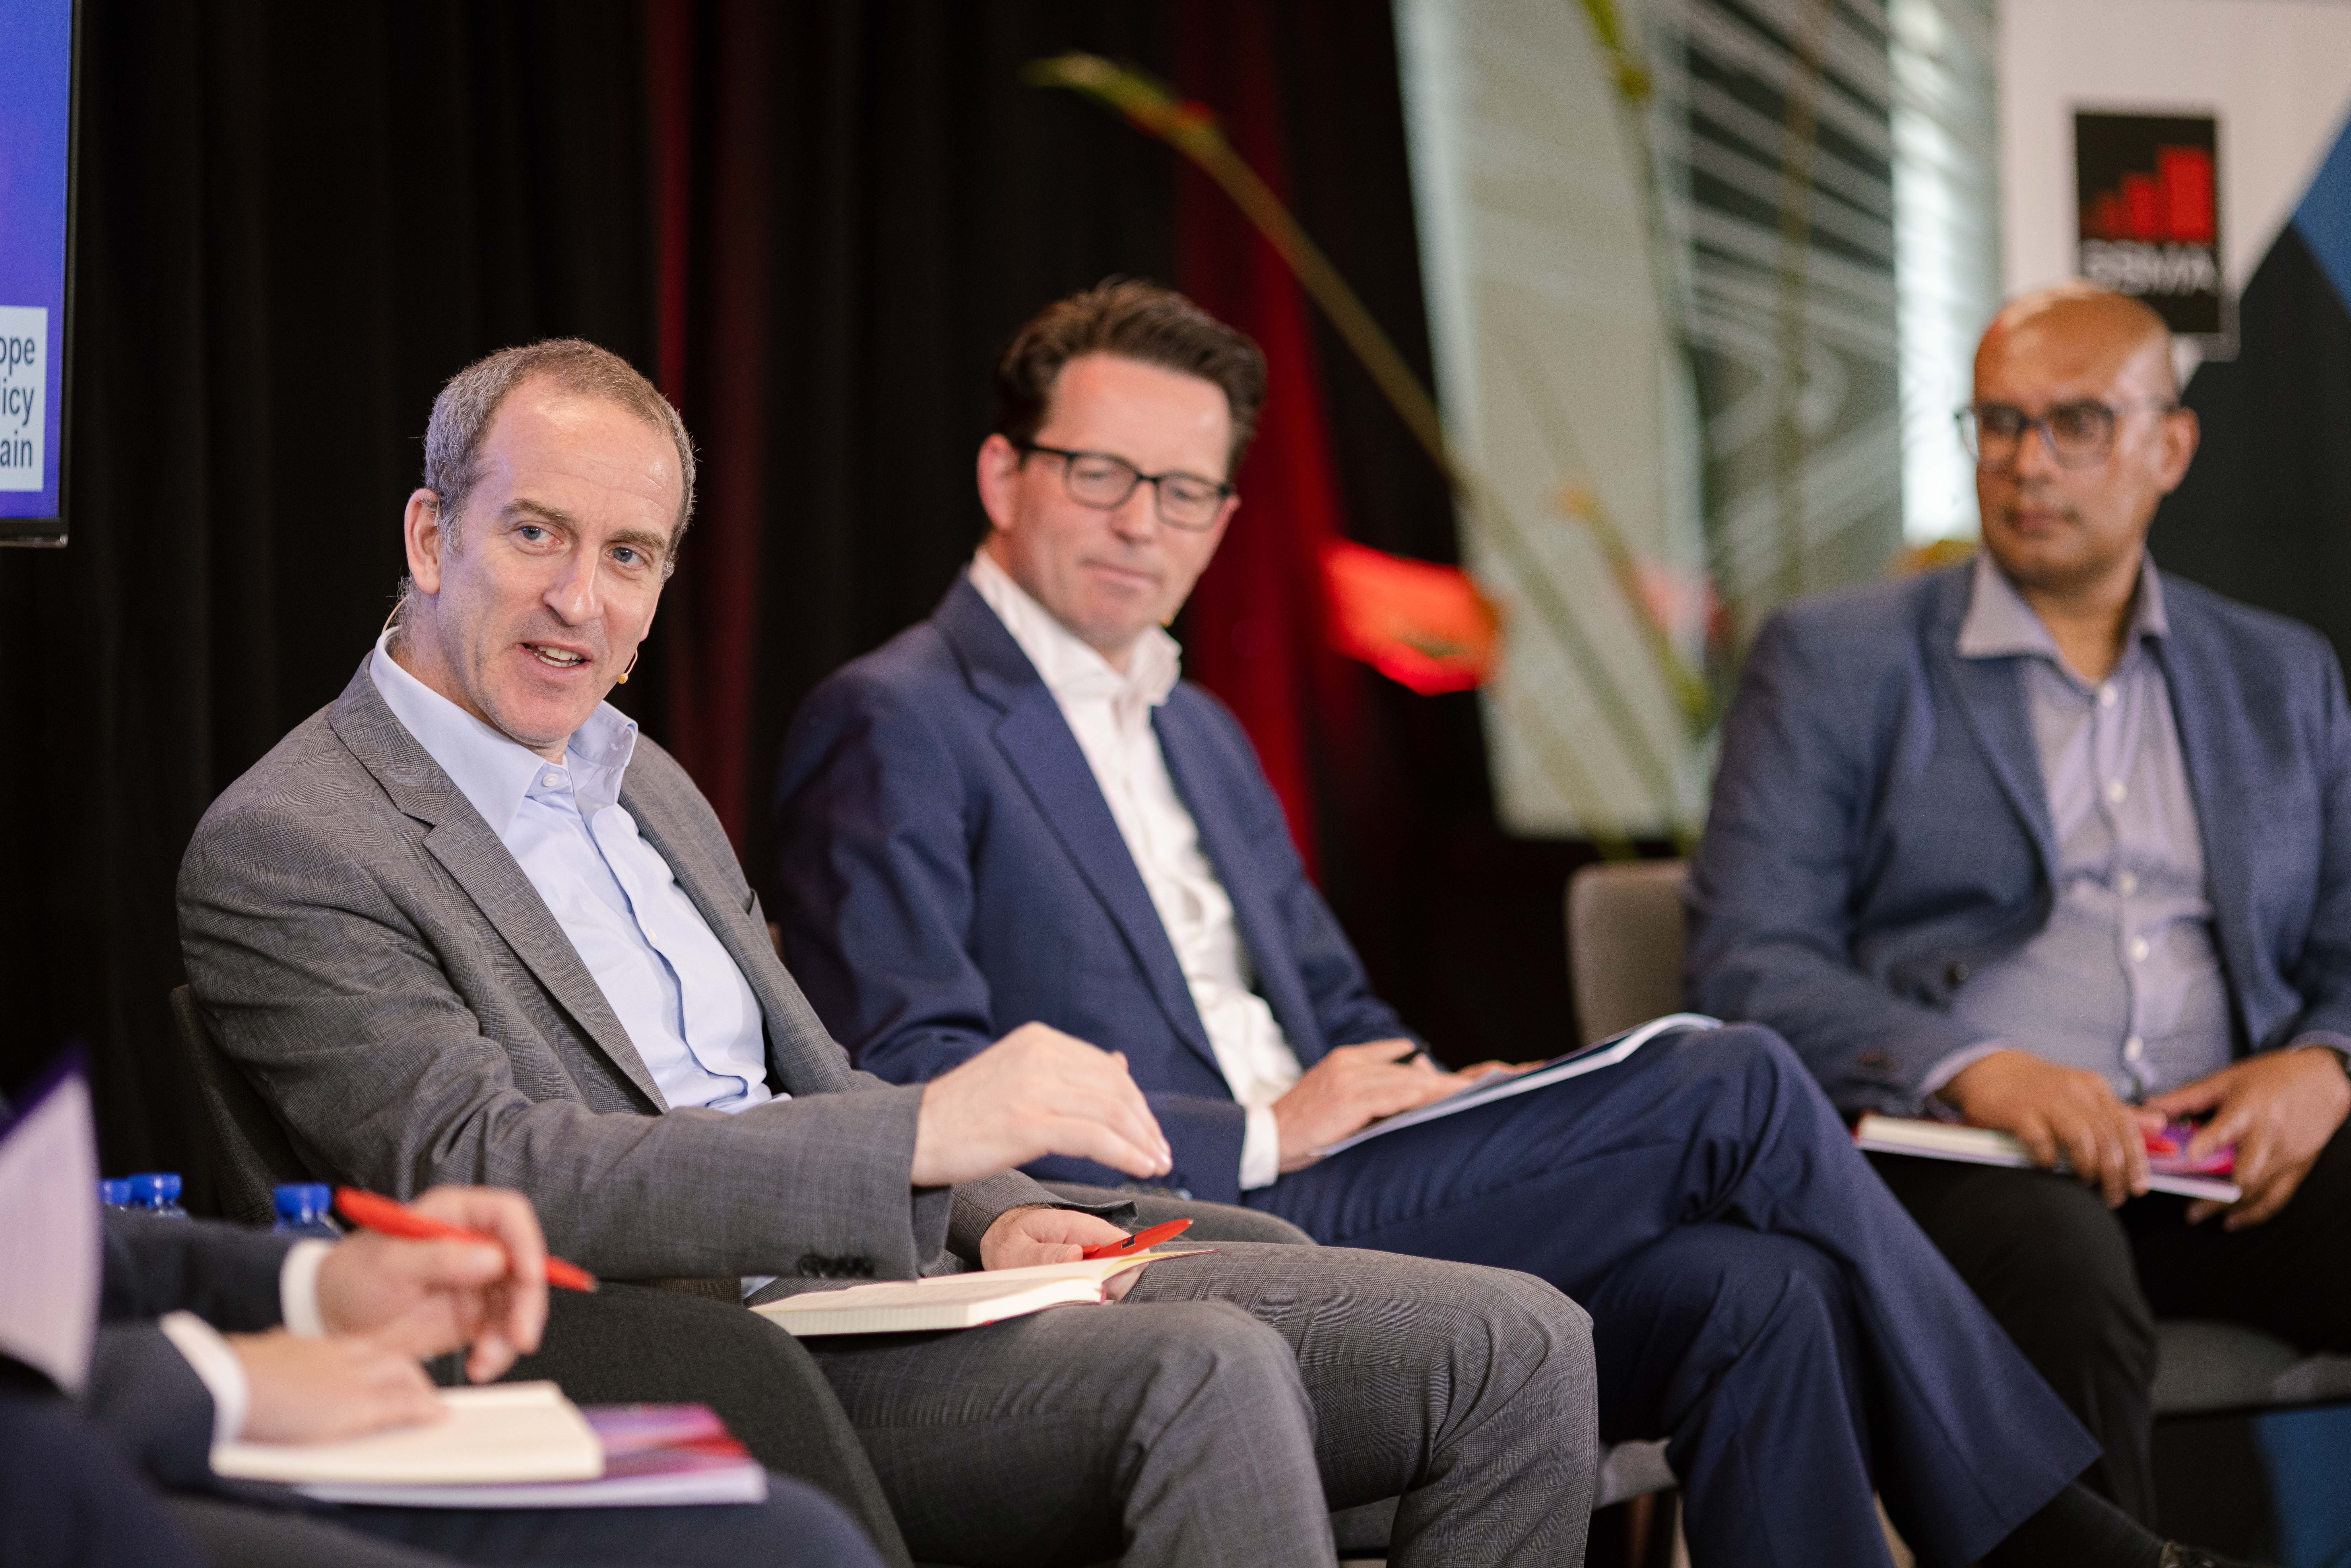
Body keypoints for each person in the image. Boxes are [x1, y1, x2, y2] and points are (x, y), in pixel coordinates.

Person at [772, 281, 2255, 1568]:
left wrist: (1438, 1097)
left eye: (1185, 491)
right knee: (1727, 1077)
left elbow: (1342, 1011)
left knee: (1768, 1291)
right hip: (1178, 1227)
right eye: (1101, 473)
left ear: (1226, 515)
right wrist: (1271, 1133)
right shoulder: (895, 718)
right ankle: (2051, 1536)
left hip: (1340, 1181)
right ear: (1001, 472)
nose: (1141, 523)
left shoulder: (1202, 727)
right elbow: (917, 1082)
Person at [176, 337, 1599, 1568]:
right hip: (690, 1351)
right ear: (432, 539)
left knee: (1518, 1346)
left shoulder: (637, 774)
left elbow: (806, 1070)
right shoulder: (296, 841)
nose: (580, 602)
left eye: (628, 556)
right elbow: (499, 1168)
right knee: (1206, 1365)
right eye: (534, 535)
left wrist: (982, 1208)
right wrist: (918, 1142)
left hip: (892, 1282)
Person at [1684, 281, 2351, 1524]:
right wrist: (1974, 1066)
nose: (2026, 462)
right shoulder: (1836, 659)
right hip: (1969, 1155)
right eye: (1996, 422)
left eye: (2075, 424)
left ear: (2169, 444)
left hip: (2223, 1160)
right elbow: (1745, 958)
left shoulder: (2276, 672)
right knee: (2054, 1262)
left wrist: (2323, 1060)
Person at [3, 1178, 882, 1568]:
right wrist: (209, 1378)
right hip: (56, 1462)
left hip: (108, 1415)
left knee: (783, 1537)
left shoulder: (668, 817)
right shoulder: (301, 836)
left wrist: (308, 1283)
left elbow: (35, 1238)